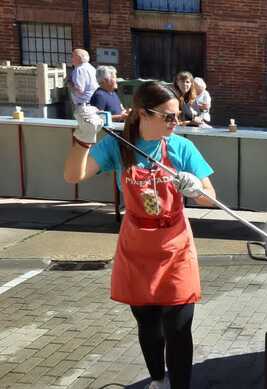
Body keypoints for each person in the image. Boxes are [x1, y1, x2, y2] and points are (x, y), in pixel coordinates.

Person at [63, 81, 216, 389]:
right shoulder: (118, 146)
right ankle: (158, 379)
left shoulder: (182, 147)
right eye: (169, 116)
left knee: (179, 326)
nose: (176, 122)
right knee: (148, 325)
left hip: (175, 246)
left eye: (178, 116)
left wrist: (196, 189)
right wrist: (83, 139)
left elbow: (211, 196)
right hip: (137, 245)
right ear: (145, 114)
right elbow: (73, 176)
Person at [68, 48, 99, 119]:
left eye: (72, 56)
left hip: (84, 107)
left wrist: (70, 84)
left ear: (78, 57)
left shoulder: (79, 70)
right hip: (92, 104)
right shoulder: (91, 68)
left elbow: (79, 91)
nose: (71, 59)